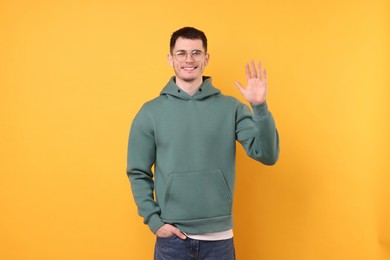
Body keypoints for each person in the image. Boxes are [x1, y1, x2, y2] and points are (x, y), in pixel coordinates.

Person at [126, 27, 279, 260]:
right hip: (172, 239)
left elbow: (267, 155)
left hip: (219, 241)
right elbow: (138, 172)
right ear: (170, 58)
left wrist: (259, 107)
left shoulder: (231, 108)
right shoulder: (150, 112)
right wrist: (154, 221)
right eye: (181, 53)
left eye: (196, 52)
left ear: (206, 58)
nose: (189, 59)